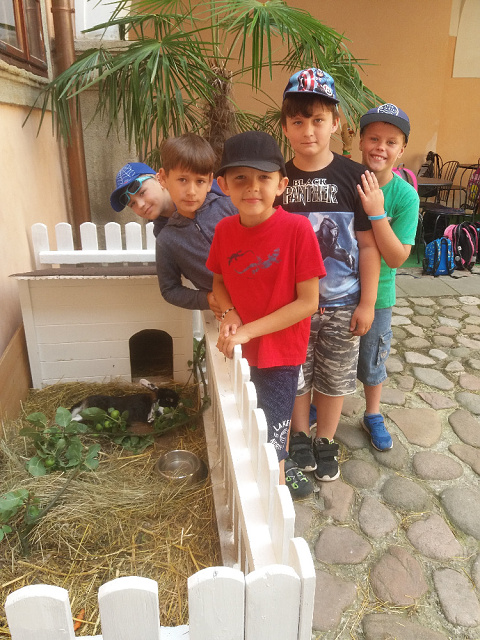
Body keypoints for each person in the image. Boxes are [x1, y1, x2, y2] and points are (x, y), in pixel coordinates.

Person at [206, 131, 326, 498]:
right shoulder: (224, 230)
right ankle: (270, 473)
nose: (252, 187)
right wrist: (230, 313)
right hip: (240, 350)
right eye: (241, 177)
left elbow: (308, 302)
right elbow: (218, 281)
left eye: (263, 177)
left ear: (281, 185)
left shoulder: (297, 229)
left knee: (274, 431)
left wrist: (248, 330)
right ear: (224, 185)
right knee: (245, 420)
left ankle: (276, 487)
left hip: (279, 352)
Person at [278, 68, 381, 482]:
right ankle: (300, 435)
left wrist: (368, 303)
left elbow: (368, 246)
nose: (308, 131)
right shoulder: (277, 179)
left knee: (335, 378)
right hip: (292, 306)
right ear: (285, 127)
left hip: (342, 303)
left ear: (335, 123)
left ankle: (325, 439)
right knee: (297, 375)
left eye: (318, 120)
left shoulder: (355, 178)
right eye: (298, 121)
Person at [356, 104, 419, 450]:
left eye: (391, 142)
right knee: (330, 355)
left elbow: (396, 257)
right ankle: (323, 402)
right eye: (374, 138)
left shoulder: (405, 196)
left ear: (401, 149)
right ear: (361, 142)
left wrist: (377, 213)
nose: (381, 147)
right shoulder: (345, 180)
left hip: (378, 296)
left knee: (372, 358)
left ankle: (373, 413)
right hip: (338, 290)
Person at [154, 133, 237, 314]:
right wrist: (205, 299)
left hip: (262, 299)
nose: (191, 191)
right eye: (182, 180)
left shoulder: (231, 207)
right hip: (224, 314)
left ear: (210, 182)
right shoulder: (166, 240)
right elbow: (169, 290)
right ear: (164, 178)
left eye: (200, 181)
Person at [110, 162, 176, 237]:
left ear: (160, 180)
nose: (140, 205)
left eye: (142, 193)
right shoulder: (162, 232)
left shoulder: (187, 203)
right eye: (132, 204)